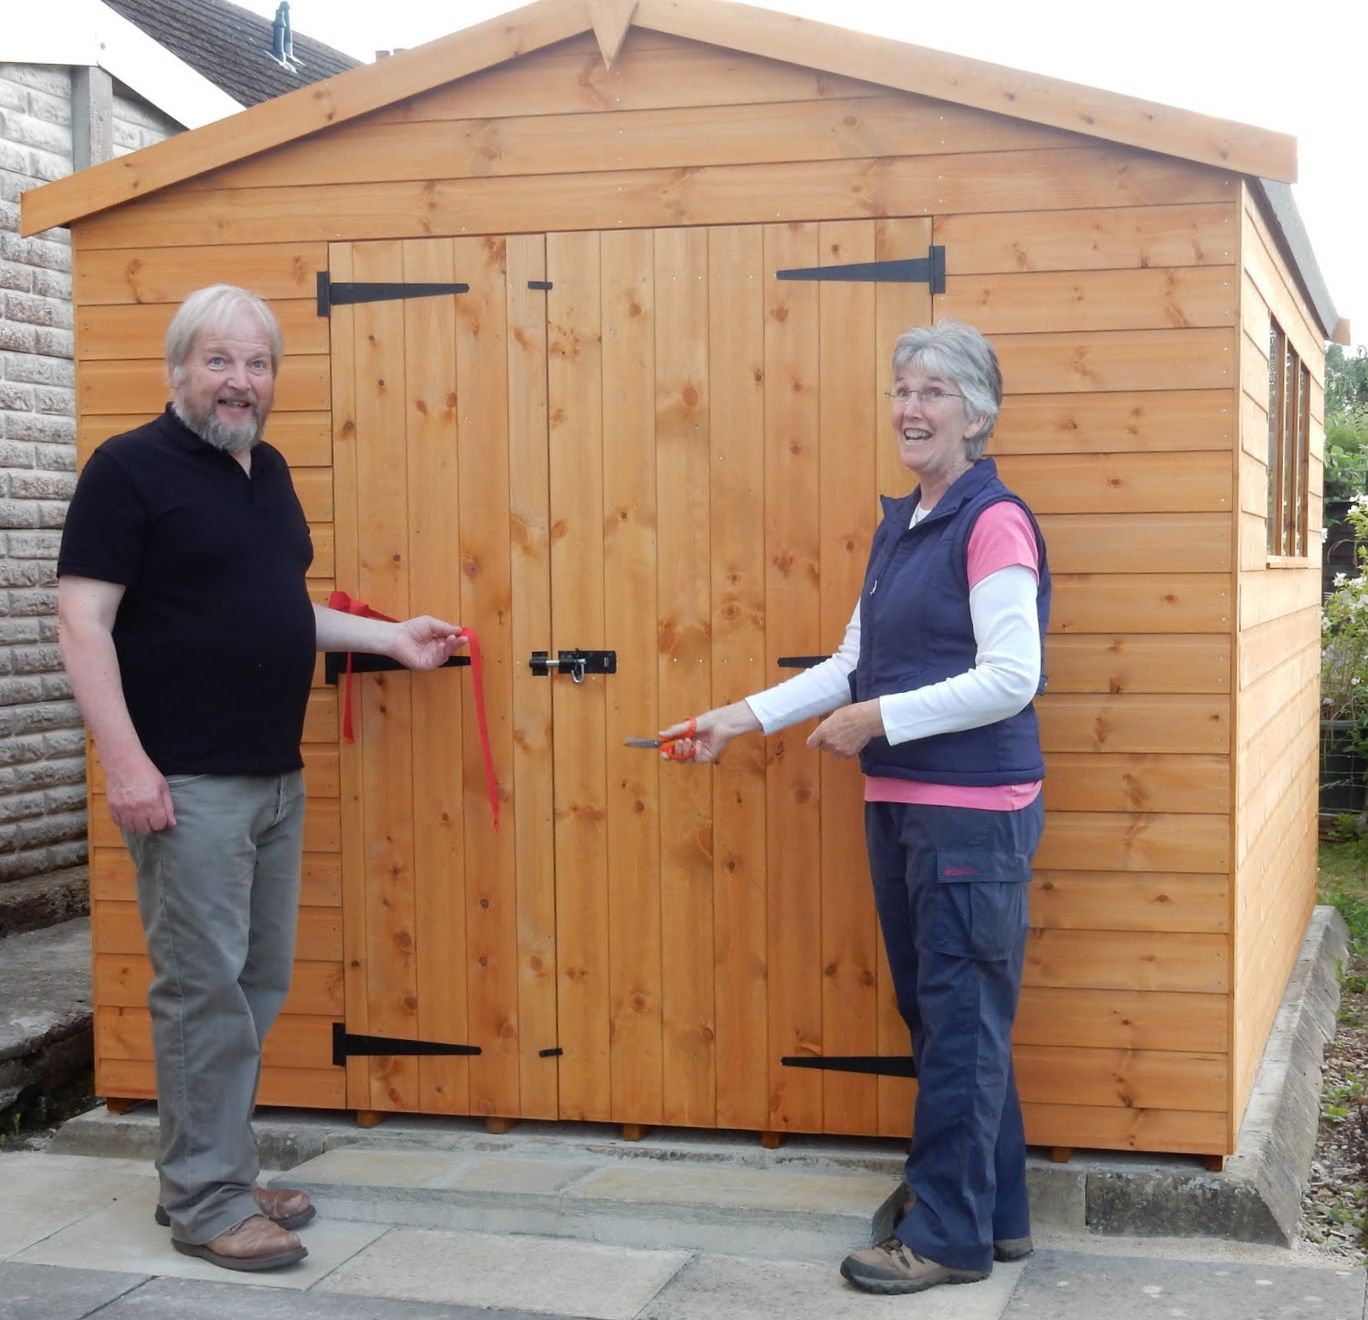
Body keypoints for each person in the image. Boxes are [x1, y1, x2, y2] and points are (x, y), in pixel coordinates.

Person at [56, 285, 464, 1273]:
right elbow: (81, 623)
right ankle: (207, 1202)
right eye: (219, 360)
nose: (240, 381)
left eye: (257, 363)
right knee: (202, 994)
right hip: (184, 782)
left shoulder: (266, 471)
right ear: (177, 369)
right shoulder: (127, 470)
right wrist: (126, 763)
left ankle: (219, 1172)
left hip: (273, 775)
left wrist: (389, 639)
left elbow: (277, 606)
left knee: (253, 987)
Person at [660, 320, 1050, 1297]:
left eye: (934, 392)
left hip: (971, 816)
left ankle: (947, 1236)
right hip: (908, 807)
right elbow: (850, 662)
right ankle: (993, 1214)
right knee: (948, 1017)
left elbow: (1012, 676)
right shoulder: (904, 525)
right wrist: (735, 719)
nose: (912, 409)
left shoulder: (993, 522)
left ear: (977, 416)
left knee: (959, 1022)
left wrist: (879, 719)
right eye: (902, 390)